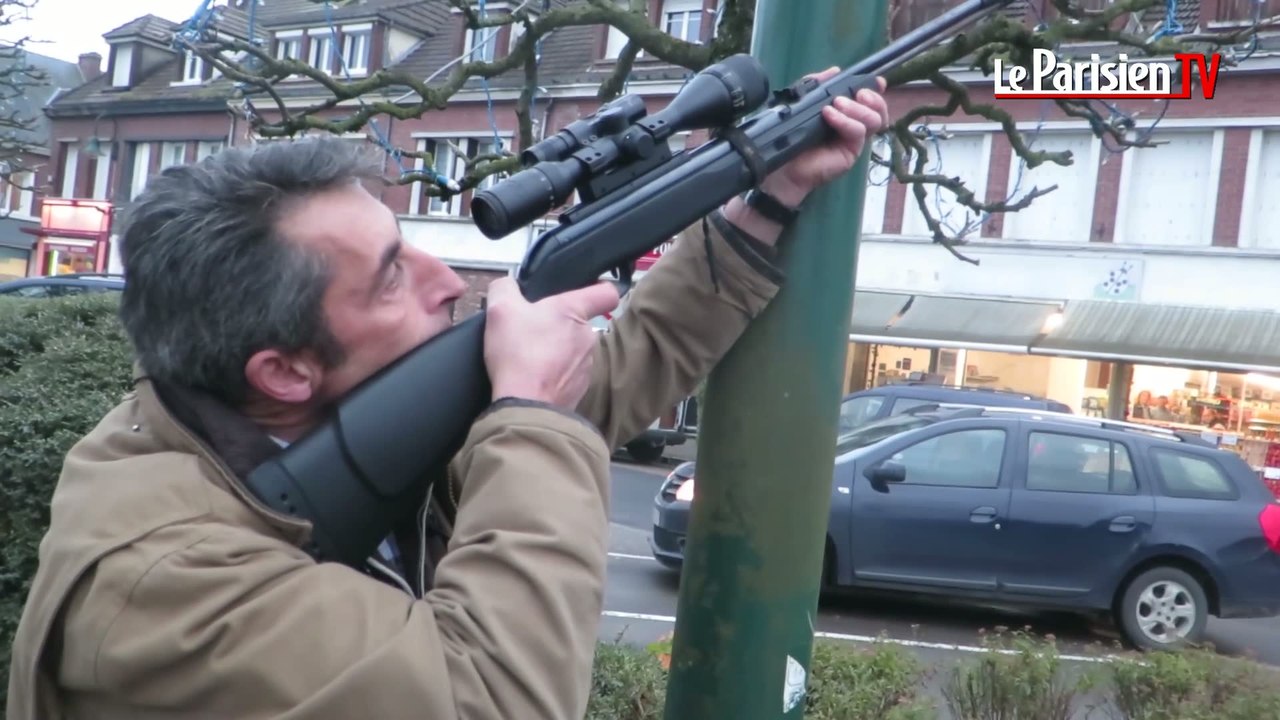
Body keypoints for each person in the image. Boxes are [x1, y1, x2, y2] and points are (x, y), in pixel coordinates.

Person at [6, 69, 889, 720]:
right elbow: (498, 700)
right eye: (392, 276)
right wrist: (532, 418)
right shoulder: (161, 582)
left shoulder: (317, 428)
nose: (447, 280)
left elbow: (614, 374)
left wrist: (763, 200)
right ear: (283, 372)